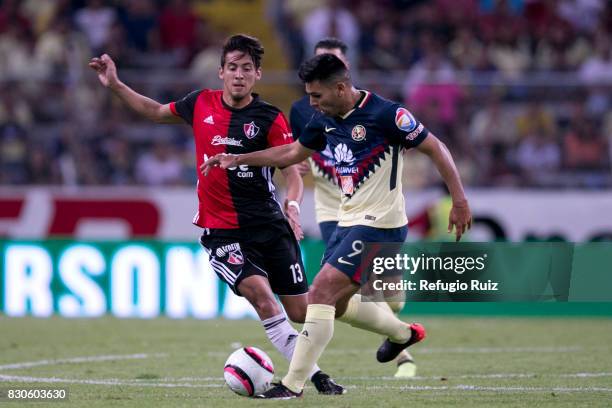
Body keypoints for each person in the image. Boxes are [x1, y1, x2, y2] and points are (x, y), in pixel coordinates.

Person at [202, 53, 472, 399]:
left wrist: (460, 200)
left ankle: (291, 385)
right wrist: (239, 158)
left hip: (380, 225)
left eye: (317, 95)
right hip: (347, 222)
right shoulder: (323, 119)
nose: (311, 103)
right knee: (336, 304)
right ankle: (403, 335)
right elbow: (289, 154)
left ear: (342, 88)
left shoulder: (387, 114)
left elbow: (436, 148)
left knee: (321, 291)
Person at [88, 34, 344, 395]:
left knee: (302, 312)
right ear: (220, 71)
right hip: (223, 231)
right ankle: (315, 378)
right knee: (262, 296)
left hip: (270, 226)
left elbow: (292, 171)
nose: (239, 75)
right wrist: (115, 84)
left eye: (247, 69)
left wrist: (292, 206)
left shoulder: (270, 118)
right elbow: (153, 110)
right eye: (233, 67)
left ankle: (361, 315)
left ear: (257, 75)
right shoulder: (199, 104)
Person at [290, 37, 418, 378]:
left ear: (344, 71)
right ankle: (402, 352)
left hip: (376, 208)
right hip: (334, 210)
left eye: (333, 60)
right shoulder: (304, 110)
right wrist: (294, 172)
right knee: (334, 290)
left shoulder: (373, 111)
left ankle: (401, 333)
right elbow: (294, 154)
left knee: (388, 296)